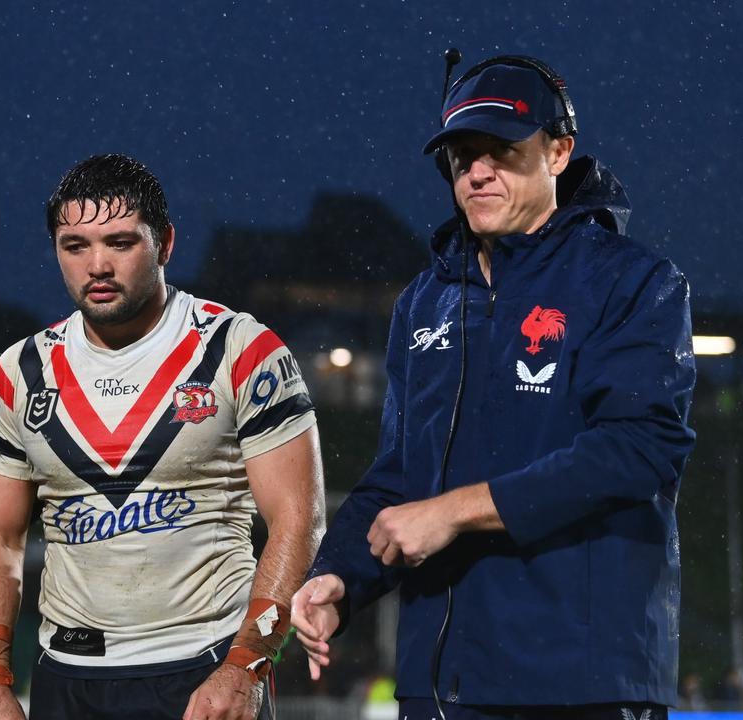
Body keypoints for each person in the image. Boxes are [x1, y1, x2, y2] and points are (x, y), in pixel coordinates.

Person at [291, 56, 696, 720]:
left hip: (577, 683)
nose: (476, 172)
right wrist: (339, 579)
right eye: (460, 155)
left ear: (558, 152)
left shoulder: (633, 282)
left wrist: (454, 511)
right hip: (438, 686)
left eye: (501, 152)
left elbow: (639, 449)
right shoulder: (423, 302)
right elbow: (400, 477)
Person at [0, 154, 324, 720]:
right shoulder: (17, 373)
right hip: (67, 677)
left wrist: (247, 664)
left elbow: (299, 519)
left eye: (120, 241)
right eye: (75, 245)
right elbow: (0, 536)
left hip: (204, 668)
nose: (98, 265)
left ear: (165, 244)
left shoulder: (240, 350)